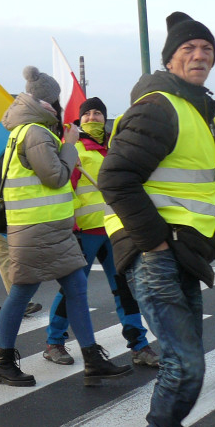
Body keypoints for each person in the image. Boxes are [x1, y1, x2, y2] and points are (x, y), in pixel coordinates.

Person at [100, 11, 215, 427]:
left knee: (185, 366)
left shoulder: (199, 114)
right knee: (185, 366)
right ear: (170, 57)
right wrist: (155, 241)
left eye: (207, 49)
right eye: (190, 49)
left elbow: (204, 193)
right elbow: (115, 178)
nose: (200, 55)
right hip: (156, 254)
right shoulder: (160, 107)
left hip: (183, 253)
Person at [0, 67, 131, 388]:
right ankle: (3, 360)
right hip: (37, 229)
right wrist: (69, 144)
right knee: (24, 292)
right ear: (43, 102)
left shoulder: (25, 131)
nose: (57, 108)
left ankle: (92, 358)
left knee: (76, 290)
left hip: (48, 229)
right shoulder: (36, 133)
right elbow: (55, 177)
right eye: (54, 102)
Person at [42, 96, 158, 367]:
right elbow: (64, 188)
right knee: (72, 289)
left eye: (97, 114)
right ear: (79, 119)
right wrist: (70, 224)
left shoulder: (114, 148)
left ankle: (139, 346)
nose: (92, 118)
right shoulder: (73, 149)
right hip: (86, 232)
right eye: (87, 114)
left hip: (115, 230)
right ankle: (54, 342)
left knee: (124, 290)